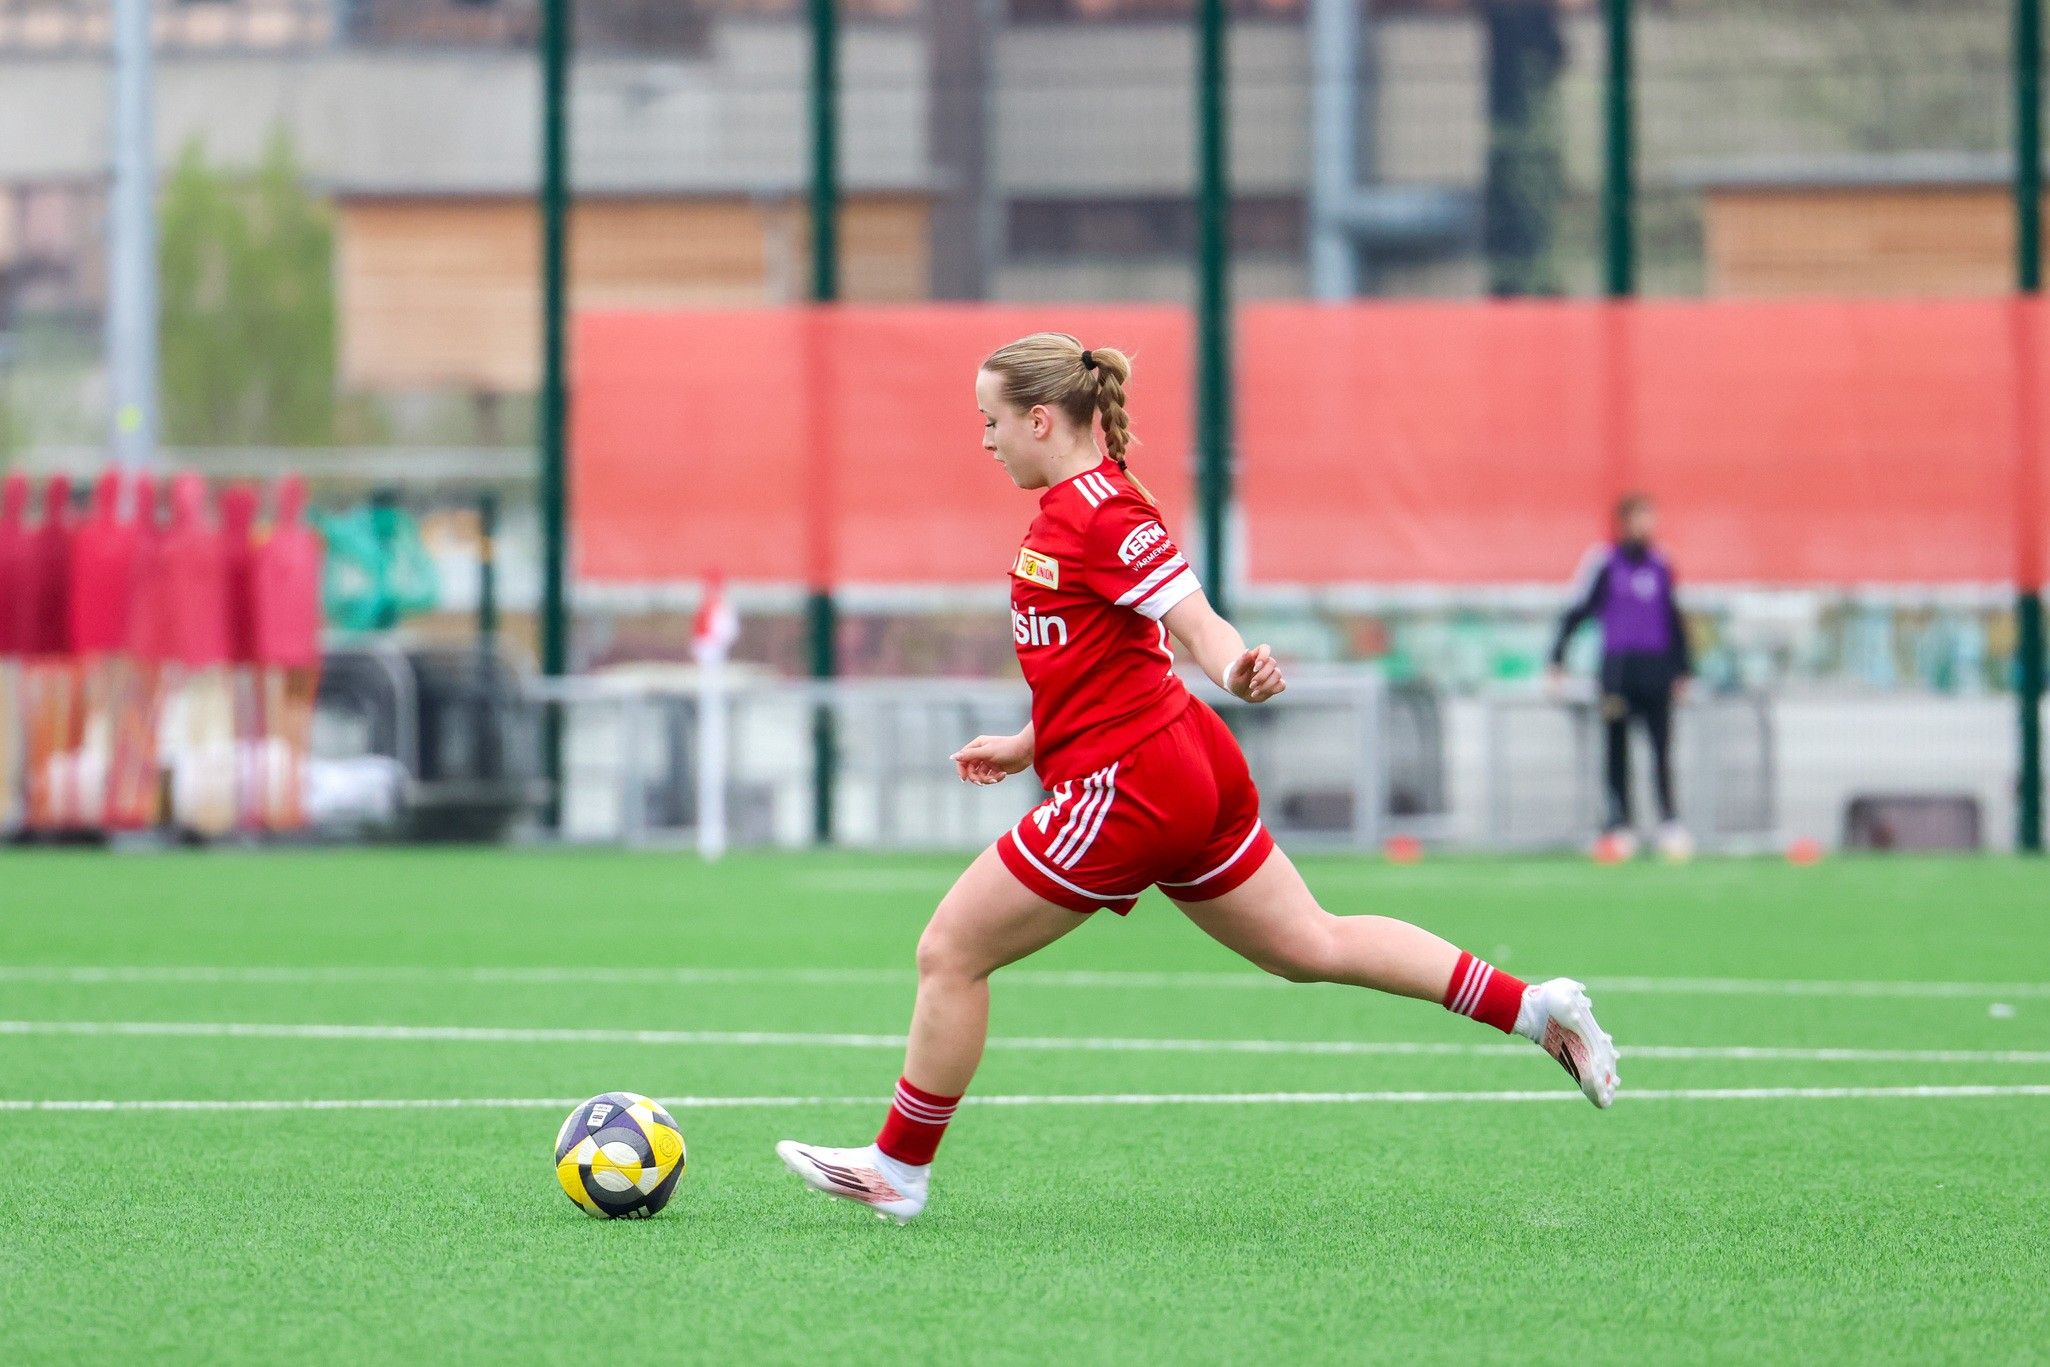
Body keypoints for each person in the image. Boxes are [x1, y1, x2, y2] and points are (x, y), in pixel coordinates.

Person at [776, 333, 1619, 1225]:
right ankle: (1536, 1009)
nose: (985, 440)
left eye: (992, 421)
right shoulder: (1086, 503)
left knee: (950, 952)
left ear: (1040, 419)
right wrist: (1029, 743)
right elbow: (1106, 654)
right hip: (1180, 761)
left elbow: (1195, 619)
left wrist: (1235, 669)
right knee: (1311, 943)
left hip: (1132, 781)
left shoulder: (1099, 512)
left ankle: (898, 1168)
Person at [1548, 493, 1693, 861]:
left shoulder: (1660, 564)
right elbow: (1577, 611)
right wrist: (1557, 658)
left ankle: (1669, 823)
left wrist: (1683, 669)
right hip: (1618, 673)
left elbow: (1673, 619)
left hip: (1656, 672)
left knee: (1661, 749)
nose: (1649, 526)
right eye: (1641, 518)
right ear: (1625, 522)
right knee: (1617, 752)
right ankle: (1619, 824)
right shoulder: (1605, 564)